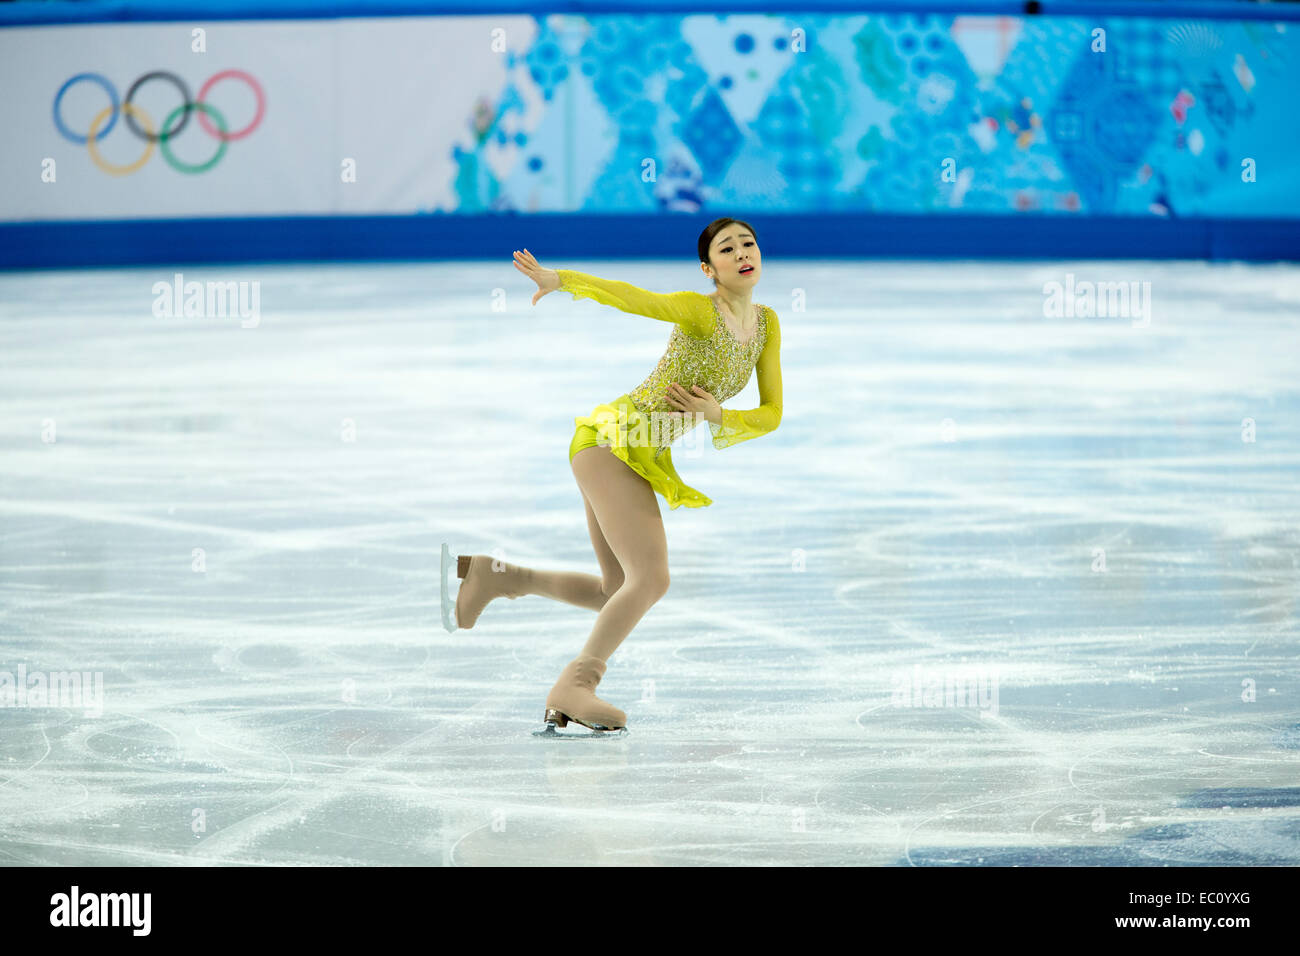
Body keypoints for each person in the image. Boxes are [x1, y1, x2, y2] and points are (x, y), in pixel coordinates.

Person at [453, 217, 784, 733]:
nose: (743, 252)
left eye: (749, 243)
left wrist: (719, 415)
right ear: (708, 268)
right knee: (651, 579)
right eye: (727, 248)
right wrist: (563, 280)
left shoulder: (766, 325)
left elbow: (772, 414)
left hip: (631, 451)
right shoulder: (700, 311)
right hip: (612, 443)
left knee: (617, 593)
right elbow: (634, 297)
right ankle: (576, 685)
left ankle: (499, 577)